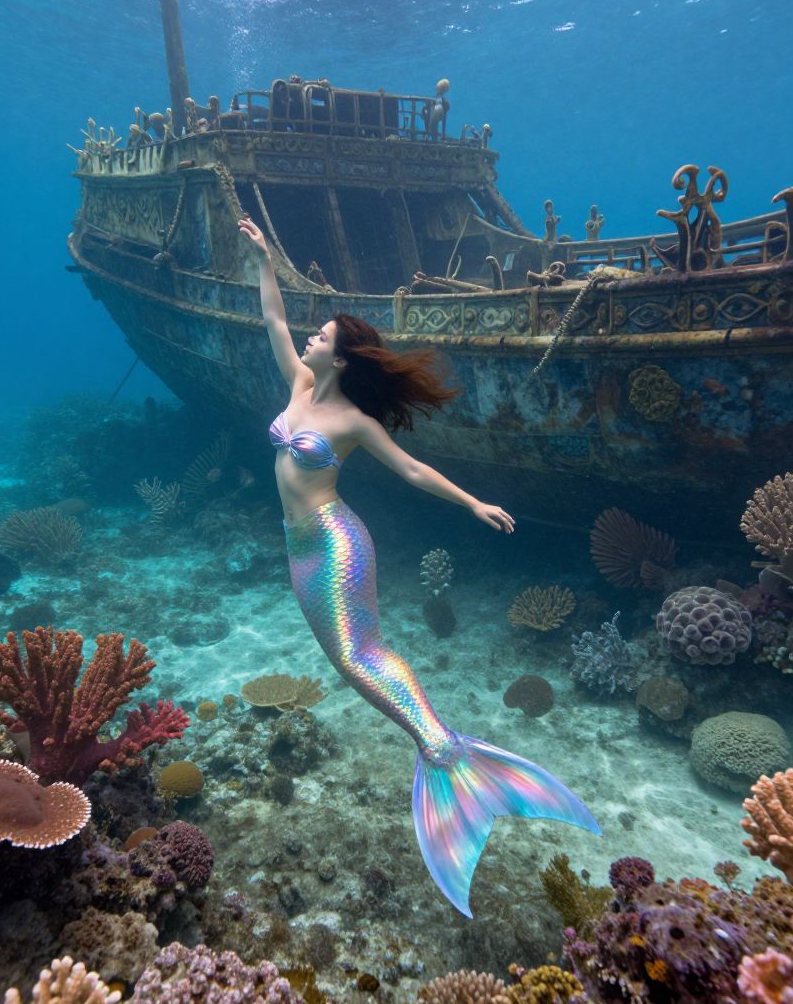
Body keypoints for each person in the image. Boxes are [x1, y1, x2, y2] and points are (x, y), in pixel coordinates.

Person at [237, 216, 600, 918]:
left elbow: (410, 469)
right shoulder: (299, 387)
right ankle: (443, 752)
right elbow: (273, 318)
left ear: (343, 359)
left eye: (322, 337)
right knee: (348, 661)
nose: (310, 339)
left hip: (336, 543)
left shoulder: (354, 422)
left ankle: (444, 750)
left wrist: (472, 502)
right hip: (297, 547)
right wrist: (263, 260)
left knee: (360, 653)